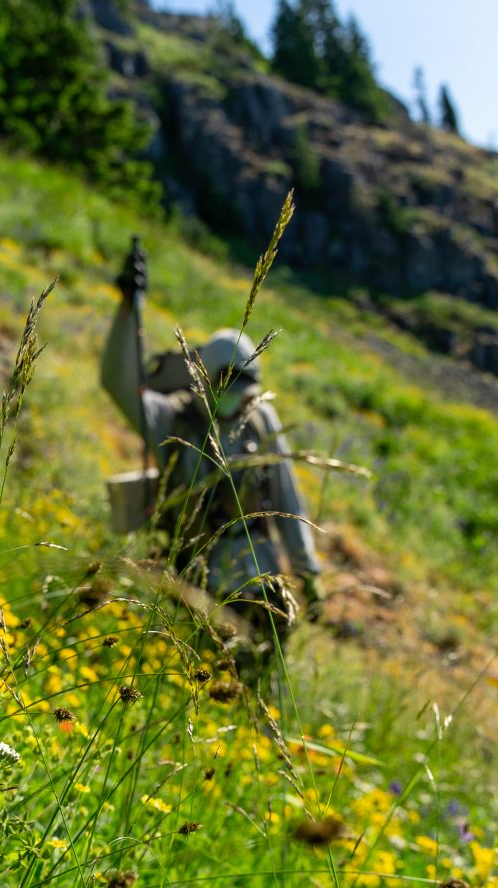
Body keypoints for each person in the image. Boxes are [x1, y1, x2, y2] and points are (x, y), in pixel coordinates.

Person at [100, 243, 324, 664]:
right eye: (231, 390)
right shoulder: (173, 421)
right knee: (211, 670)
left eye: (246, 392)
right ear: (206, 379)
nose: (239, 402)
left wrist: (307, 570)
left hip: (260, 575)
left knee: (267, 659)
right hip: (200, 582)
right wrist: (128, 309)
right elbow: (116, 382)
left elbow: (289, 497)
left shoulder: (261, 419)